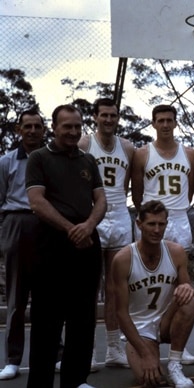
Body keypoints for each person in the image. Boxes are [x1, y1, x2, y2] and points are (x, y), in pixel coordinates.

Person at [25, 104, 106, 388]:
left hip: (86, 243)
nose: (73, 132)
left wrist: (88, 226)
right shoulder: (38, 158)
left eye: (77, 126)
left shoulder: (88, 161)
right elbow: (37, 202)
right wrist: (71, 228)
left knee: (83, 320)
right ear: (54, 127)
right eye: (67, 126)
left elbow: (101, 200)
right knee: (47, 321)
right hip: (51, 245)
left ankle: (75, 381)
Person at [131, 104, 194, 365]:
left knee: (179, 284)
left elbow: (190, 190)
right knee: (152, 280)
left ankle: (179, 344)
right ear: (153, 124)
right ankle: (147, 335)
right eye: (161, 120)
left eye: (170, 120)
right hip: (154, 220)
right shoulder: (143, 154)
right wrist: (150, 216)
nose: (166, 125)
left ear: (176, 123)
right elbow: (137, 192)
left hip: (179, 217)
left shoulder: (188, 153)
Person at [111, 200, 194, 388]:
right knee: (149, 380)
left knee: (188, 300)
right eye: (151, 224)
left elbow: (186, 285)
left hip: (166, 321)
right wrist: (146, 354)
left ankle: (175, 364)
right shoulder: (123, 259)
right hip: (139, 327)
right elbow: (121, 314)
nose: (157, 230)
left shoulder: (176, 252)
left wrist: (187, 287)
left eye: (161, 224)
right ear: (139, 224)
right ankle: (148, 352)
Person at [78, 97, 134, 369]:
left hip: (121, 215)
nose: (109, 120)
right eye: (104, 115)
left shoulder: (127, 147)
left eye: (113, 115)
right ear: (95, 117)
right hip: (93, 216)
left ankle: (114, 347)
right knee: (89, 287)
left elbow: (132, 183)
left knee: (115, 287)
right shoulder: (86, 144)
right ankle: (87, 350)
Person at [0, 109, 45, 381]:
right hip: (16, 224)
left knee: (48, 297)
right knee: (16, 297)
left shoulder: (50, 159)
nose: (32, 131)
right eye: (27, 126)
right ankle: (13, 359)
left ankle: (56, 353)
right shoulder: (6, 161)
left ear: (43, 129)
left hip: (45, 225)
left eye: (36, 126)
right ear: (19, 130)